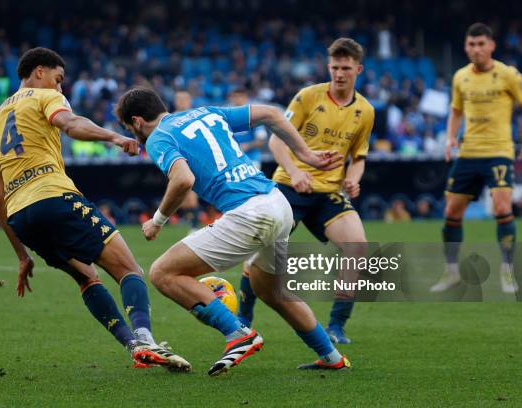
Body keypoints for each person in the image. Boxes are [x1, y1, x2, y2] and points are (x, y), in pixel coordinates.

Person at [115, 87, 350, 376]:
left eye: (130, 128)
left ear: (137, 122)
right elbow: (271, 114)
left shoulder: (159, 138)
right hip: (277, 203)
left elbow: (183, 179)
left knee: (162, 273)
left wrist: (157, 220)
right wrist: (307, 156)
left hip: (248, 214)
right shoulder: (206, 112)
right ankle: (331, 356)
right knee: (269, 290)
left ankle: (238, 333)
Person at [0, 47, 190, 370]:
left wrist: (22, 256)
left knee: (87, 278)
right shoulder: (43, 96)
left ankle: (132, 345)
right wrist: (114, 137)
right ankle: (146, 340)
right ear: (39, 72)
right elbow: (70, 124)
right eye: (58, 78)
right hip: (54, 197)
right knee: (129, 270)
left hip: (21, 217)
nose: (60, 88)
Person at [238, 38, 375, 344]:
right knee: (262, 256)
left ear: (358, 69)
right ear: (329, 67)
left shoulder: (365, 110)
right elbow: (276, 141)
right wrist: (297, 170)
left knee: (358, 248)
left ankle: (336, 326)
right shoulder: (308, 97)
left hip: (328, 194)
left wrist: (353, 179)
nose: (339, 74)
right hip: (290, 188)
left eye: (346, 68)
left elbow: (359, 157)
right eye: (335, 67)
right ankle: (243, 317)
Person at [431, 23, 522, 294]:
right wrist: (450, 138)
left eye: (481, 44)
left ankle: (507, 271)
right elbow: (456, 110)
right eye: (472, 44)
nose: (476, 49)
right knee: (451, 212)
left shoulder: (508, 75)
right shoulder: (461, 77)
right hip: (468, 152)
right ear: (466, 47)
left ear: (491, 46)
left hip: (498, 151)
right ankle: (451, 273)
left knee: (501, 208)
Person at [173, 90, 200, 231]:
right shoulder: (168, 118)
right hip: (176, 160)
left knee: (191, 194)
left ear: (190, 101)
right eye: (179, 98)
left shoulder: (194, 117)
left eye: (184, 98)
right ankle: (190, 221)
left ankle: (194, 226)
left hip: (192, 160)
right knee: (182, 196)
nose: (181, 101)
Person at [228, 88, 269, 170]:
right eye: (235, 97)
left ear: (245, 98)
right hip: (232, 161)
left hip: (251, 159)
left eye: (240, 97)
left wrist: (247, 146)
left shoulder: (253, 117)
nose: (237, 100)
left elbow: (261, 140)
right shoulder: (227, 118)